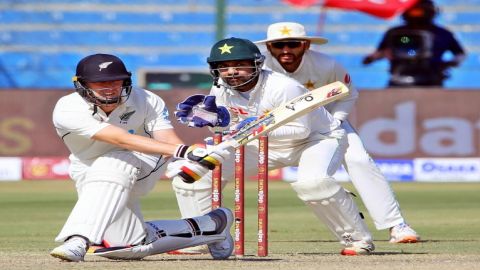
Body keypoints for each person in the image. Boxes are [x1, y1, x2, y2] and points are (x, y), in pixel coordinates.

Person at [168, 37, 375, 255]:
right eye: (224, 67)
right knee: (189, 179)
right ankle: (200, 239)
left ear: (257, 64)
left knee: (314, 183)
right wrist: (219, 123)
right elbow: (227, 132)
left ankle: (359, 239)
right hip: (261, 143)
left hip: (317, 139)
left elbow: (300, 130)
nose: (231, 72)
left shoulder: (284, 87)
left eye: (240, 65)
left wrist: (254, 128)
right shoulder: (220, 89)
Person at [50, 53, 234, 262]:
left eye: (115, 81)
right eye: (100, 83)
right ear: (83, 85)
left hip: (143, 161)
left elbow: (166, 139)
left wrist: (183, 158)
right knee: (127, 245)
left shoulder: (146, 99)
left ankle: (78, 240)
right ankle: (212, 225)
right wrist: (183, 152)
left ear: (125, 81)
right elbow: (118, 138)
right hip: (89, 170)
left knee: (114, 161)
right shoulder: (68, 108)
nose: (109, 88)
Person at [254, 22, 419, 243]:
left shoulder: (327, 65)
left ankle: (396, 225)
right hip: (278, 130)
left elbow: (348, 94)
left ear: (305, 45)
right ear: (269, 47)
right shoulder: (259, 68)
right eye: (279, 45)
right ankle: (205, 230)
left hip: (326, 123)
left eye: (292, 44)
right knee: (217, 163)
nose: (286, 50)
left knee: (359, 160)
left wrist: (337, 120)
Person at [362, 0, 466, 87]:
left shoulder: (442, 34)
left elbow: (460, 54)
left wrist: (450, 63)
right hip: (399, 77)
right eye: (413, 11)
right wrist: (374, 57)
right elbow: (379, 52)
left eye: (420, 11)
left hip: (432, 78)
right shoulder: (395, 33)